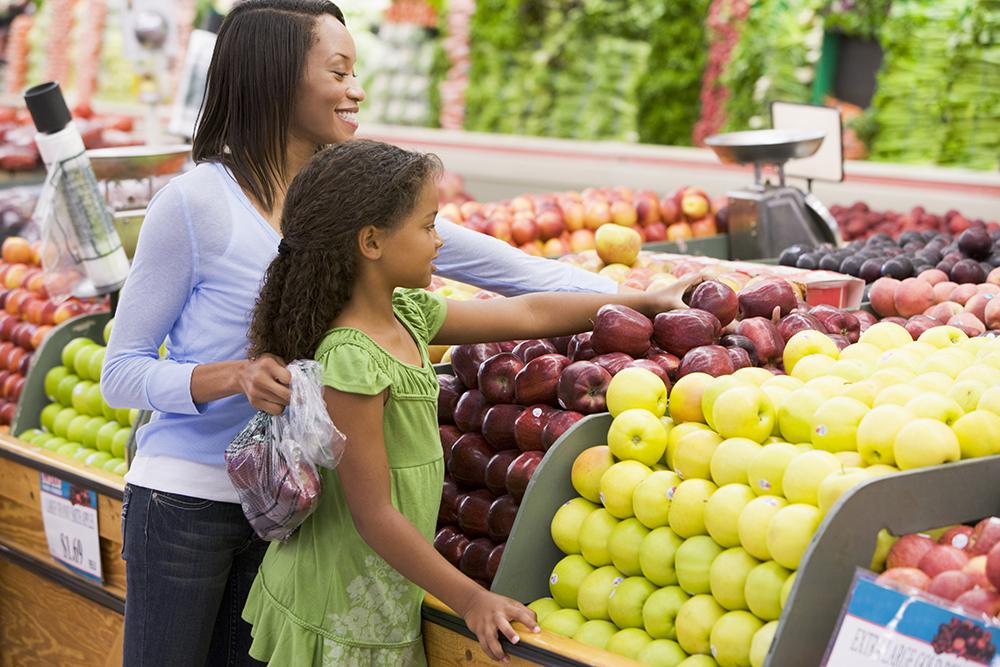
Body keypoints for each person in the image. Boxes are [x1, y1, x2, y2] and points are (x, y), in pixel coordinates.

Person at [101, 1, 619, 665]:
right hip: (187, 501)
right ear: (277, 78)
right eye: (339, 71)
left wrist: (642, 303)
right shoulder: (195, 203)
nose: (357, 89)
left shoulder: (349, 200)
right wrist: (230, 376)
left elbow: (518, 278)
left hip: (292, 509)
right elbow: (122, 372)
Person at [242, 139, 694, 665]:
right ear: (371, 242)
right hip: (338, 600)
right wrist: (471, 598)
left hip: (383, 585)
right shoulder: (351, 359)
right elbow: (374, 515)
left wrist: (642, 301)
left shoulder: (406, 313)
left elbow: (527, 315)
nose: (438, 241)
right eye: (428, 225)